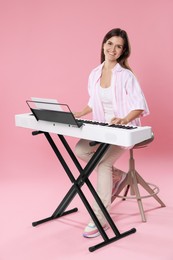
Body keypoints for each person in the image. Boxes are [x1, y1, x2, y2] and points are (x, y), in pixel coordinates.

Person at [74, 28, 149, 238]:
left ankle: (100, 217)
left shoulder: (126, 76)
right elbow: (94, 101)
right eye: (110, 44)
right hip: (101, 128)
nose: (112, 49)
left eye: (118, 46)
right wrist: (81, 111)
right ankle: (118, 177)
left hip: (121, 129)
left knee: (103, 163)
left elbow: (139, 105)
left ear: (123, 51)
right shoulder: (95, 73)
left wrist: (124, 119)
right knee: (80, 150)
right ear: (103, 44)